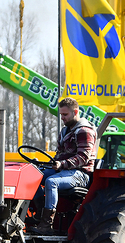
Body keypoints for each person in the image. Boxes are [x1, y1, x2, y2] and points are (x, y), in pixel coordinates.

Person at [31, 97, 97, 235]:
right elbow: (60, 155)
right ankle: (39, 212)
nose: (62, 118)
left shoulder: (84, 131)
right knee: (32, 175)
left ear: (75, 112)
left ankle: (46, 225)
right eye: (61, 114)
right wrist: (47, 164)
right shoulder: (65, 131)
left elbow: (83, 158)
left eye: (65, 114)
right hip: (64, 170)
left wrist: (61, 164)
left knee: (51, 182)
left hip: (80, 173)